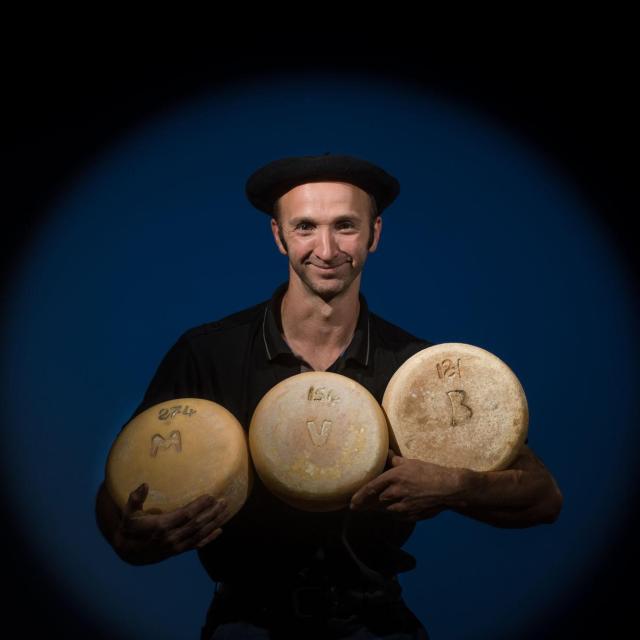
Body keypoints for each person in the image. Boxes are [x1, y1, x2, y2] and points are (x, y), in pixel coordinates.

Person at [95, 153, 563, 639]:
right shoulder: (208, 353)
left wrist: (456, 486)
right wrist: (127, 534)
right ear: (278, 236)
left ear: (374, 234)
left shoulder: (417, 371)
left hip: (374, 622)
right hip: (245, 623)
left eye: (345, 225)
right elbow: (115, 496)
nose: (326, 248)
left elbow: (542, 497)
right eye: (304, 227)